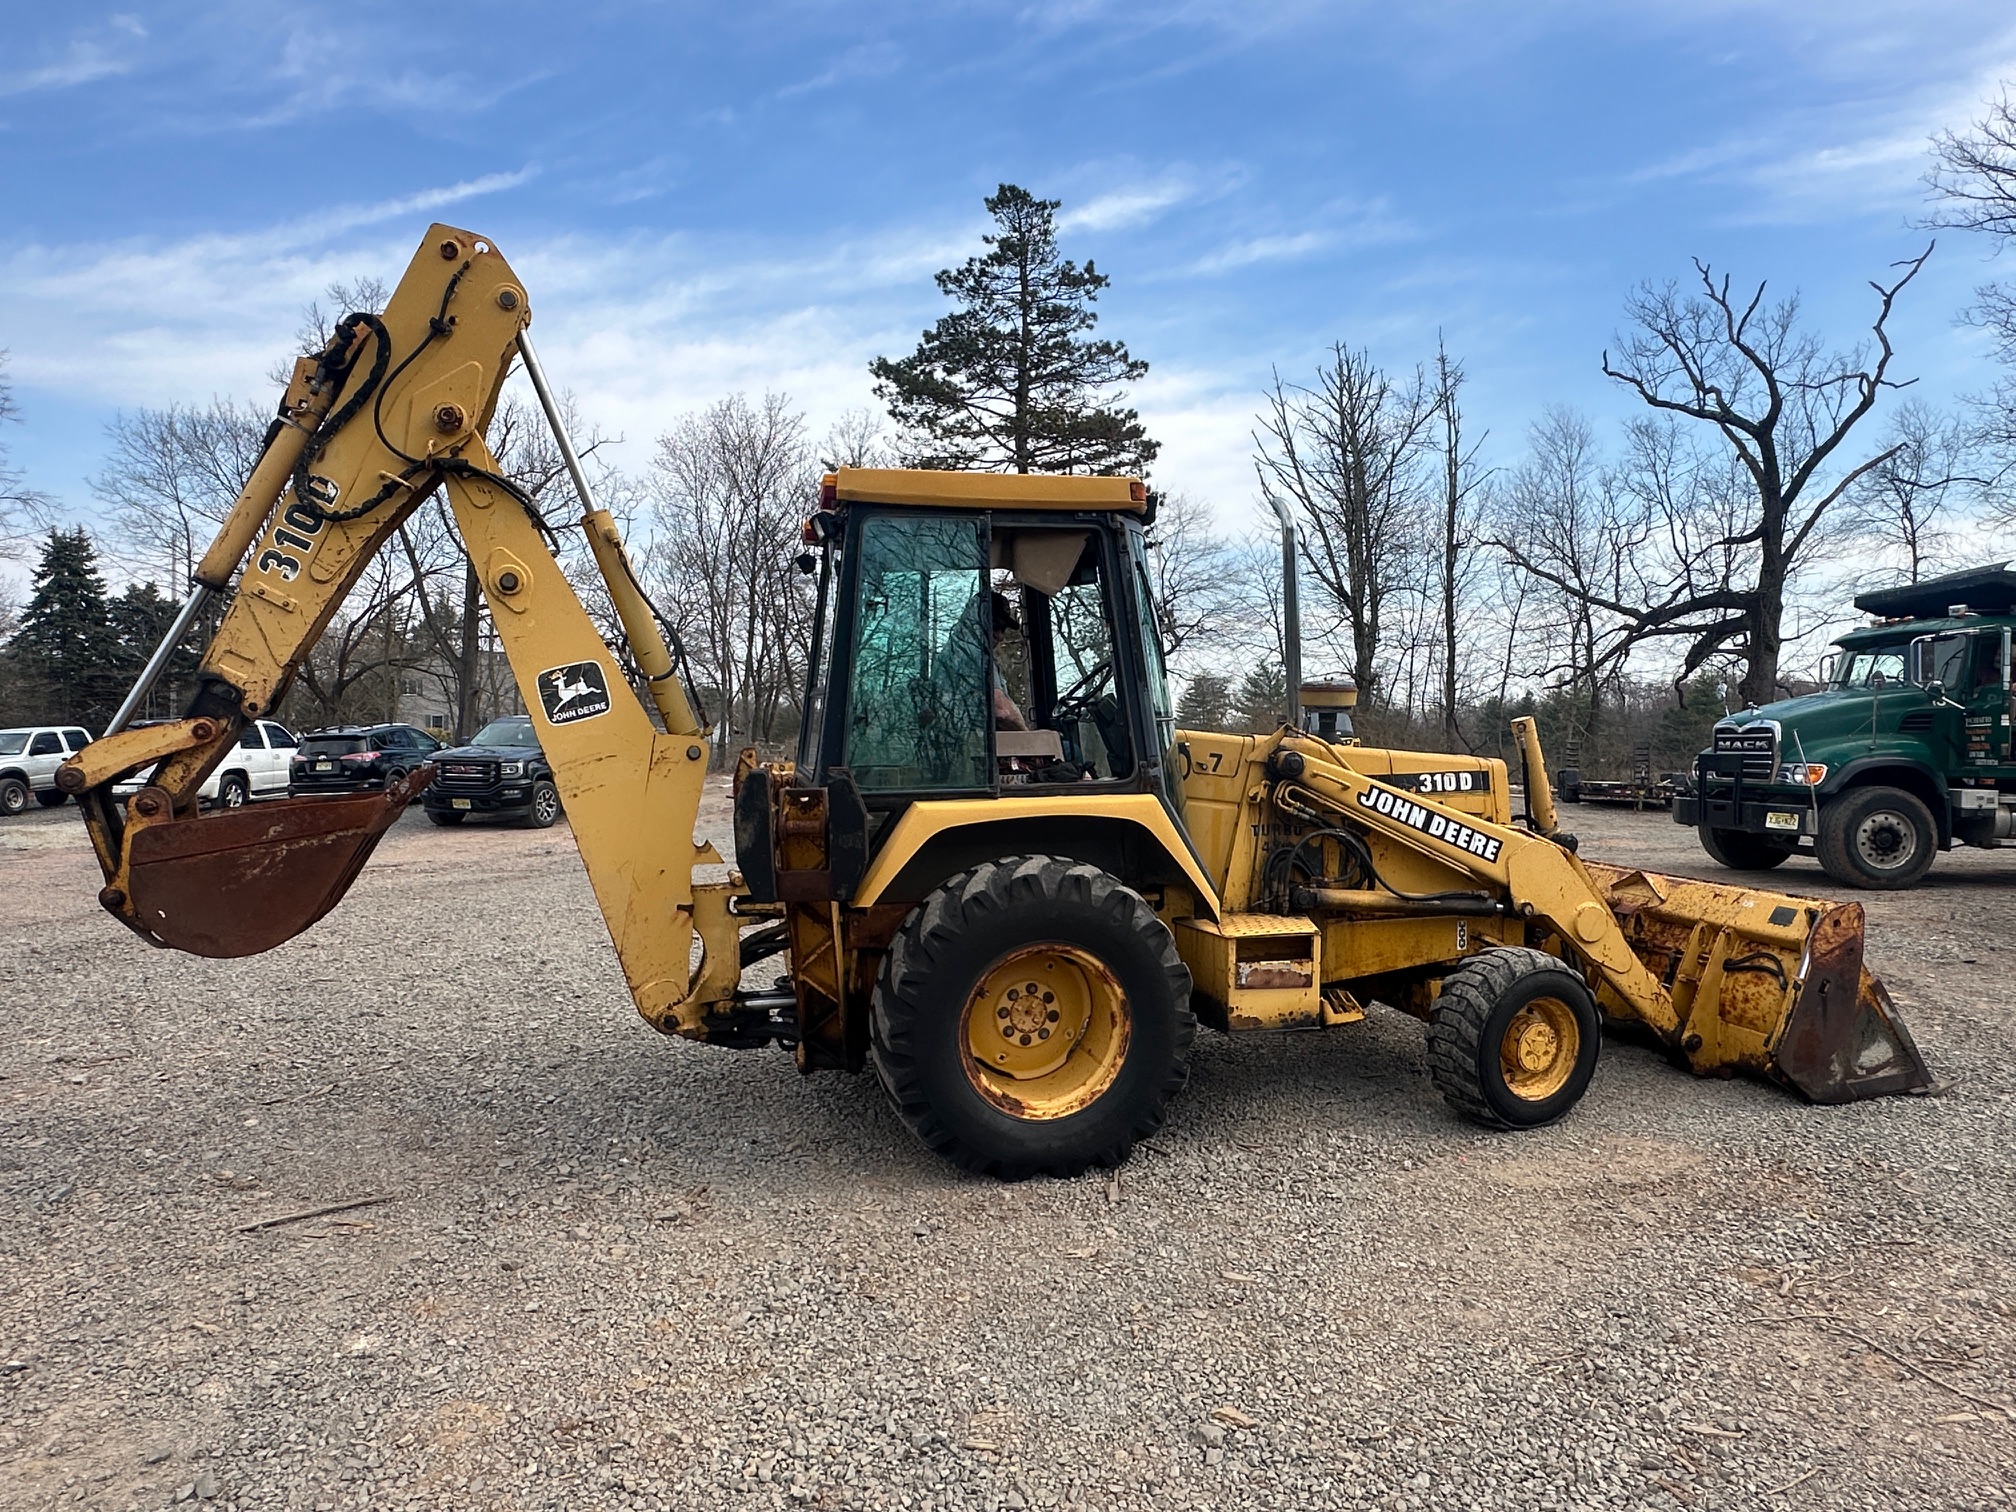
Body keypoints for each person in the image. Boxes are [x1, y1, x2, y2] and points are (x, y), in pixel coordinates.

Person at [990, 590, 1029, 731]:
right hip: (982, 745)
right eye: (996, 626)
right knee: (1067, 748)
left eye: (1003, 629)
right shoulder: (977, 658)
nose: (1000, 637)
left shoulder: (956, 653)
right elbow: (1002, 711)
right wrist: (1031, 742)